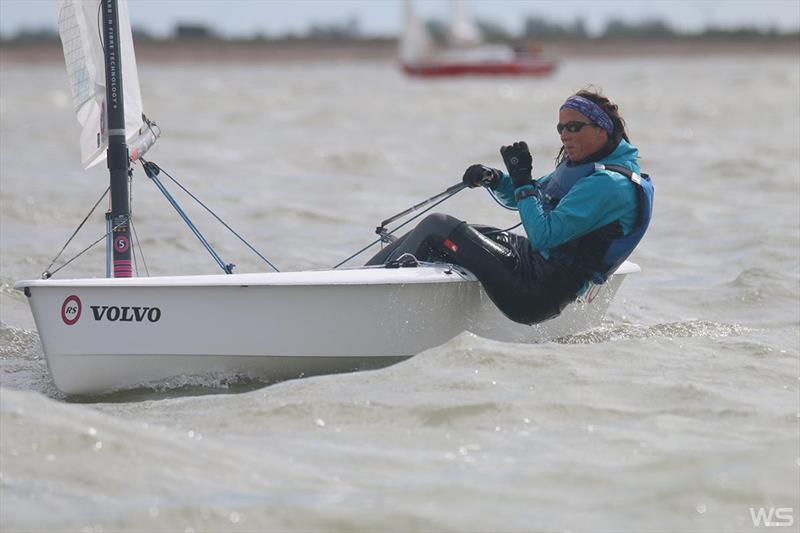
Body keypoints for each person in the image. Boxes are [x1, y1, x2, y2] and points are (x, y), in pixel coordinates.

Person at [366, 88, 653, 325]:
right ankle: (367, 280)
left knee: (438, 226)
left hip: (537, 293)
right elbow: (529, 199)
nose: (564, 134)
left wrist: (522, 182)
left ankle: (367, 296)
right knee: (474, 232)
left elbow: (543, 234)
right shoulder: (589, 170)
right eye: (561, 127)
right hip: (535, 264)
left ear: (602, 130)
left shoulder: (609, 184)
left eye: (574, 127)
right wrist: (496, 179)